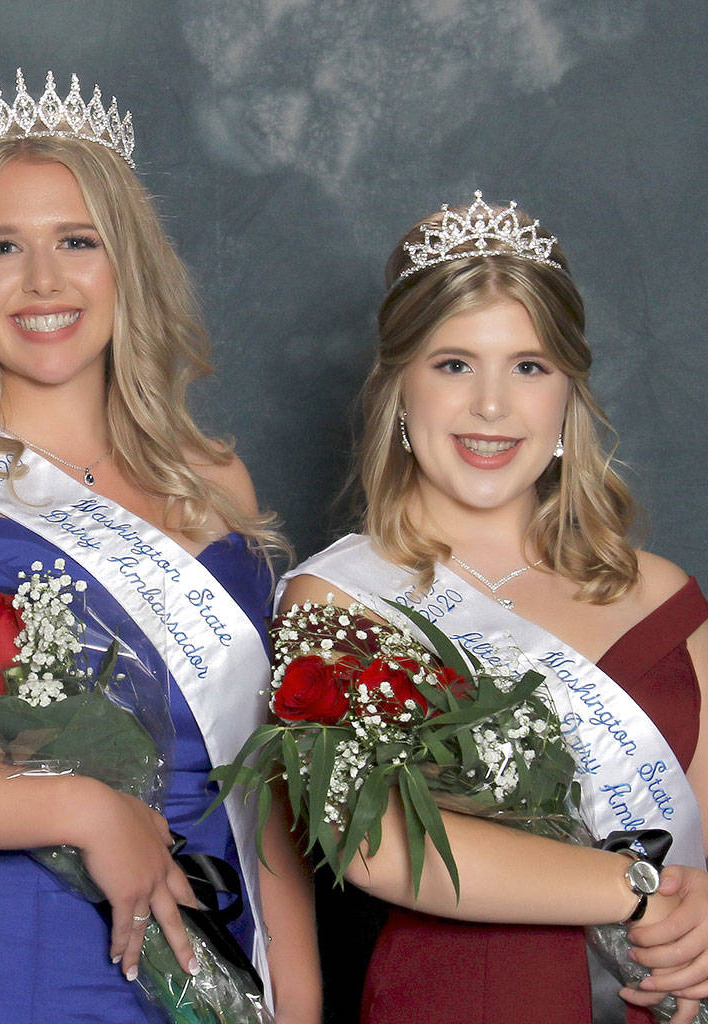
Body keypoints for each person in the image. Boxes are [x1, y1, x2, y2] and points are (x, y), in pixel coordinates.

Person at [0, 70, 322, 1024]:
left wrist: (297, 1002)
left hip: (213, 950)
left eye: (76, 241)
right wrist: (79, 809)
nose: (43, 281)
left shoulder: (217, 483)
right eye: (3, 247)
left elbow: (264, 788)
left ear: (128, 261)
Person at [279, 191, 708, 1024]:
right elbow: (372, 844)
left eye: (529, 365)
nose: (490, 405)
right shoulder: (336, 601)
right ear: (400, 388)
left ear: (567, 395)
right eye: (453, 364)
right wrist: (640, 889)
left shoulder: (667, 600)